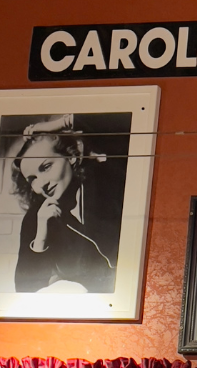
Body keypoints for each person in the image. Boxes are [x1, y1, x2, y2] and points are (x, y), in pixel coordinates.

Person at [10, 114, 120, 293]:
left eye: (46, 167)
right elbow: (25, 289)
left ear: (71, 156)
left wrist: (58, 124)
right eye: (32, 180)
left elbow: (125, 128)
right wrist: (40, 238)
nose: (41, 183)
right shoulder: (36, 218)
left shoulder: (109, 181)